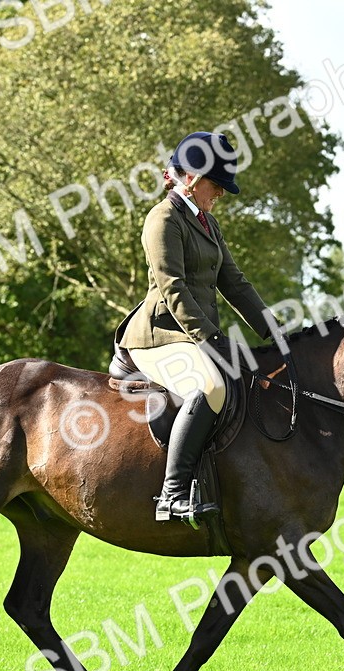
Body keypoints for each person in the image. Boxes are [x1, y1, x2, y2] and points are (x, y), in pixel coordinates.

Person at [115, 132, 274, 523]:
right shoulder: (163, 218)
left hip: (192, 333)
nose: (219, 192)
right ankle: (172, 495)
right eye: (216, 184)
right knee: (209, 386)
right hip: (159, 335)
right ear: (191, 178)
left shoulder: (207, 223)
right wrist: (212, 339)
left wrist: (275, 330)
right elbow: (173, 288)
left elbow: (234, 282)